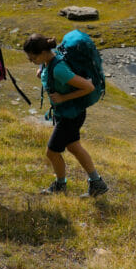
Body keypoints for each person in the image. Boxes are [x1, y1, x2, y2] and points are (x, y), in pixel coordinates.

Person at [22, 33, 108, 197]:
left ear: (42, 53)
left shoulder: (60, 69)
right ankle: (97, 183)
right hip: (68, 113)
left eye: (33, 58)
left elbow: (88, 87)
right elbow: (49, 70)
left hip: (71, 115)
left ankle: (60, 185)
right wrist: (41, 70)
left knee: (52, 152)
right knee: (74, 146)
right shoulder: (50, 60)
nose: (31, 62)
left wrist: (63, 97)